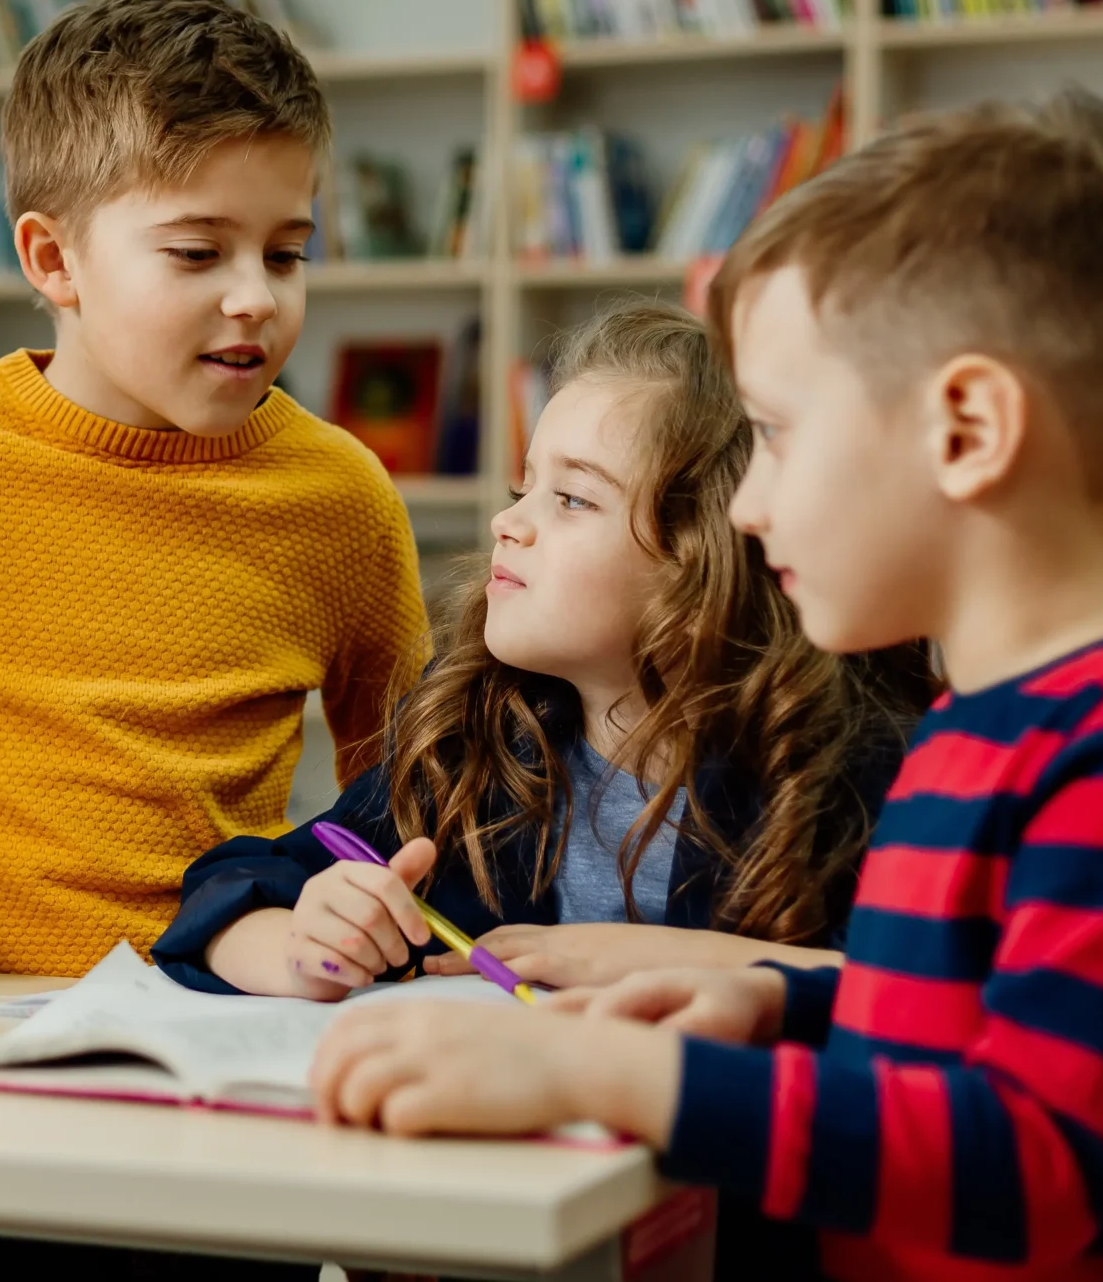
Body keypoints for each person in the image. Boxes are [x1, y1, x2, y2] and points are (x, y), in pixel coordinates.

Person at [309, 92, 1103, 1280]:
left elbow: (1032, 1163)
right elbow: (973, 1032)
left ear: (966, 429)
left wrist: (610, 1073)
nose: (747, 507)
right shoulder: (980, 731)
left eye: (774, 434)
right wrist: (780, 1008)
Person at [0, 0, 430, 1280]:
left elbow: (414, 776)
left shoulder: (342, 497)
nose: (255, 299)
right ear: (53, 260)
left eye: (287, 252)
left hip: (227, 1050)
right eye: (197, 250)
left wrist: (365, 913)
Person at [159, 300, 923, 1279]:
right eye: (524, 487)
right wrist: (303, 939)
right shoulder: (477, 742)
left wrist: (662, 958)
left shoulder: (850, 772)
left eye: (570, 501)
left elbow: (922, 1022)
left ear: (709, 558)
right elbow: (235, 880)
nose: (504, 524)